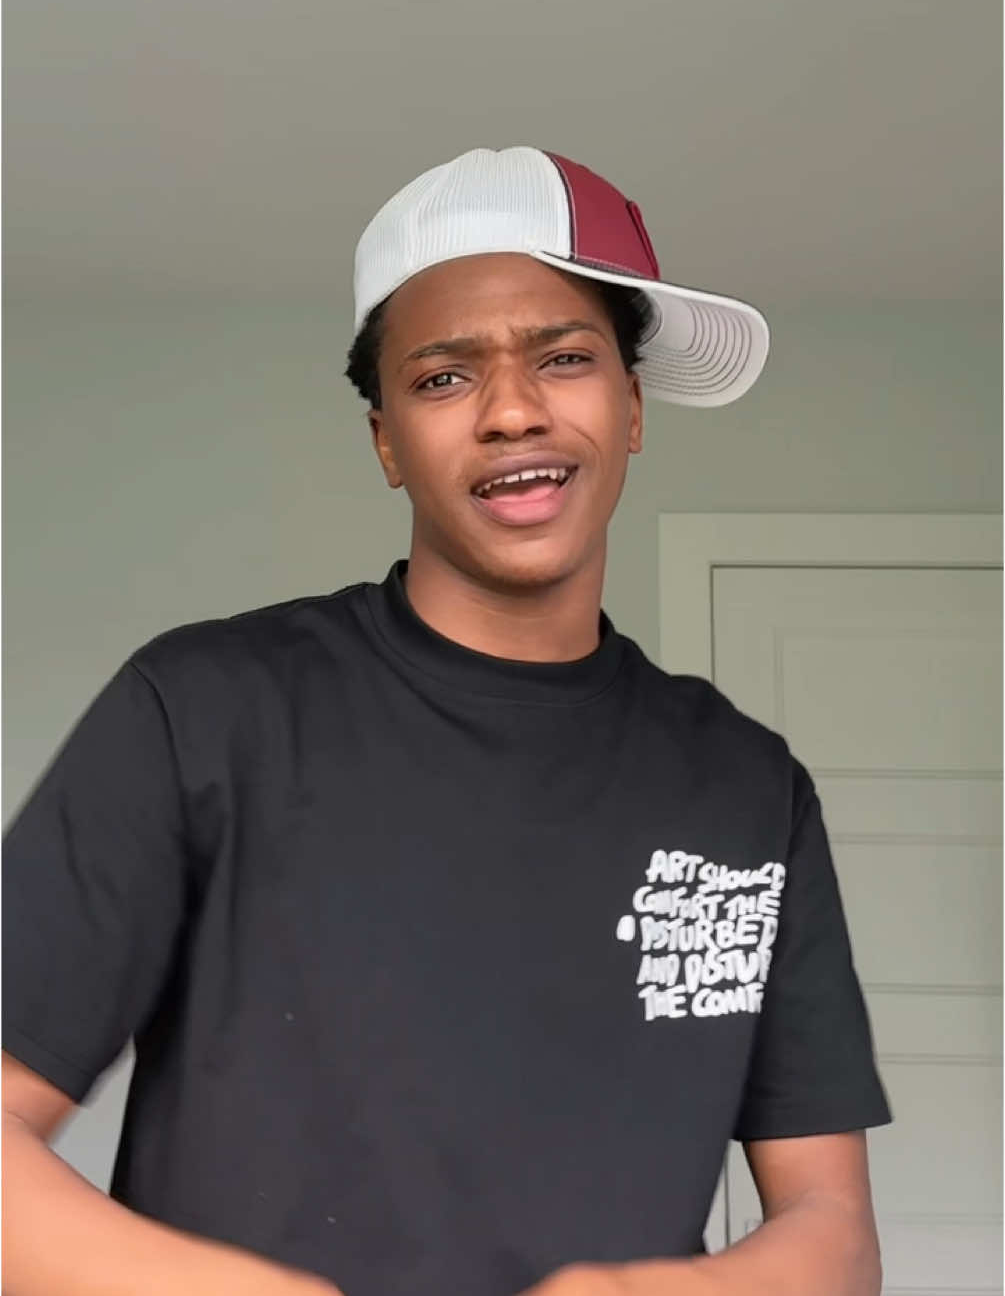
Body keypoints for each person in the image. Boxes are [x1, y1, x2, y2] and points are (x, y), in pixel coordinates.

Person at [2, 146, 892, 1296]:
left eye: (565, 358)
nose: (513, 411)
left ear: (631, 408)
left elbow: (833, 1229)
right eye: (443, 378)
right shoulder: (204, 712)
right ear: (386, 441)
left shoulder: (746, 788)